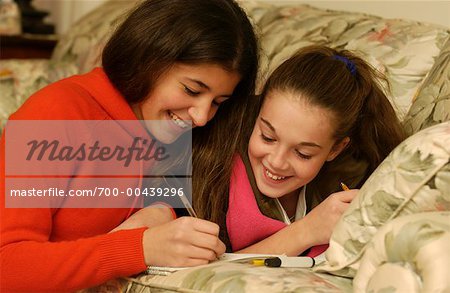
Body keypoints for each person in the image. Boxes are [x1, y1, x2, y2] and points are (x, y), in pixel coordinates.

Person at [0, 0, 258, 291]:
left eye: (217, 103)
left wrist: (161, 212)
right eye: (192, 90)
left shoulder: (180, 134)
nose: (201, 117)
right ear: (148, 59)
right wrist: (139, 248)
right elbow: (6, 265)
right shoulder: (54, 114)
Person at [196, 45, 406, 256]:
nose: (277, 162)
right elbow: (205, 271)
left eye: (302, 153)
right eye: (267, 137)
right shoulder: (209, 149)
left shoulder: (355, 176)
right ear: (257, 113)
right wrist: (306, 231)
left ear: (335, 149)